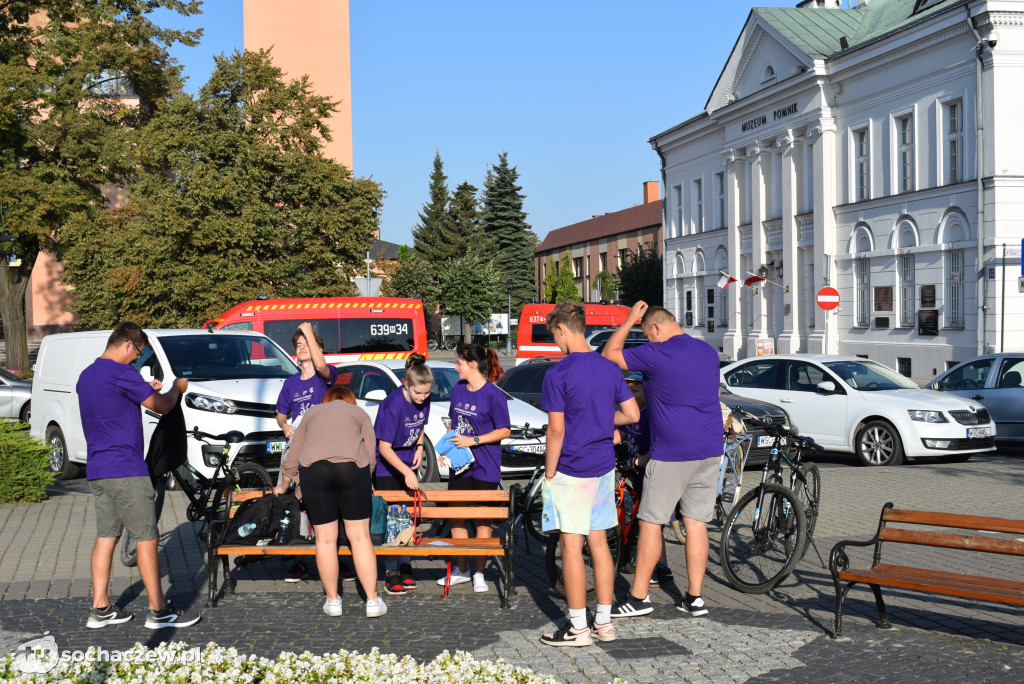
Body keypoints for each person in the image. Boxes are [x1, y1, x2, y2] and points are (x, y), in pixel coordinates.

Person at [77, 322, 200, 629]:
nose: (137, 360)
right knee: (147, 537)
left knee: (106, 536)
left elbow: (115, 404)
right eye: (138, 352)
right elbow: (161, 407)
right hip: (126, 469)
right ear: (128, 344)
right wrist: (175, 389)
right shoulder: (122, 373)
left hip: (98, 468)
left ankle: (100, 608)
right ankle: (159, 611)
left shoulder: (87, 375)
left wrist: (146, 389)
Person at [602, 301, 721, 619]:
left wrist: (628, 321)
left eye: (647, 333)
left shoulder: (658, 352)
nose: (648, 341)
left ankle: (638, 598)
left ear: (655, 327)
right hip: (710, 448)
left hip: (672, 453)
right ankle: (695, 598)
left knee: (651, 521)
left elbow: (609, 355)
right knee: (696, 523)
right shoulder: (707, 352)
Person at [539, 303, 640, 647]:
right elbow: (631, 413)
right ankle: (604, 623)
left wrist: (549, 473)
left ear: (563, 330)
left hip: (571, 467)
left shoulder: (557, 373)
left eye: (554, 335)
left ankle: (578, 628)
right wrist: (602, 422)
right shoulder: (609, 369)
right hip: (602, 467)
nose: (555, 342)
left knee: (571, 545)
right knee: (599, 543)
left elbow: (556, 430)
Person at [275, 385, 386, 618]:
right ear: (351, 401)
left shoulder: (312, 412)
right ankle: (373, 601)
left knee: (325, 540)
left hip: (316, 471)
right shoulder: (360, 413)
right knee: (360, 537)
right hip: (352, 468)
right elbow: (370, 452)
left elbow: (293, 452)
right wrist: (364, 480)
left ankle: (333, 601)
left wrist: (287, 483)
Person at [436, 343, 511, 593]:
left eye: (458, 363)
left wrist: (475, 440)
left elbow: (504, 430)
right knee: (456, 516)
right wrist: (444, 451)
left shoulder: (494, 394)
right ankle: (463, 569)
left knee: (482, 519)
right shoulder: (458, 389)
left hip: (485, 465)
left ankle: (479, 573)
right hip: (460, 464)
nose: (455, 367)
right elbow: (454, 424)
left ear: (472, 365)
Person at [275, 322, 341, 583]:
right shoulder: (290, 384)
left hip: (325, 450)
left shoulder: (326, 376)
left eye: (308, 344)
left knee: (330, 504)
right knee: (300, 506)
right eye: (299, 345)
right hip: (300, 453)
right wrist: (285, 426)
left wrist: (309, 332)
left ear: (317, 349)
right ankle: (300, 560)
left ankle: (340, 558)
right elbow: (281, 415)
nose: (303, 348)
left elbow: (323, 366)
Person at [372, 353, 432, 596]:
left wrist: (419, 447)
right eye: (418, 394)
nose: (423, 398)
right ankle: (390, 570)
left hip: (408, 463)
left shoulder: (423, 399)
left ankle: (405, 563)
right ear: (407, 384)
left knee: (407, 518)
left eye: (427, 394)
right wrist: (406, 471)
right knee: (392, 520)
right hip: (389, 467)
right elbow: (384, 448)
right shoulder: (392, 405)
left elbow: (420, 426)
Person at [618, 372, 674, 588]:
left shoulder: (652, 415)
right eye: (627, 391)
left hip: (654, 475)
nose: (630, 395)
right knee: (649, 523)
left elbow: (660, 445)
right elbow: (621, 434)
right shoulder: (631, 413)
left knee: (651, 523)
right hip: (637, 474)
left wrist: (642, 460)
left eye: (635, 391)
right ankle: (658, 565)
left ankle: (662, 569)